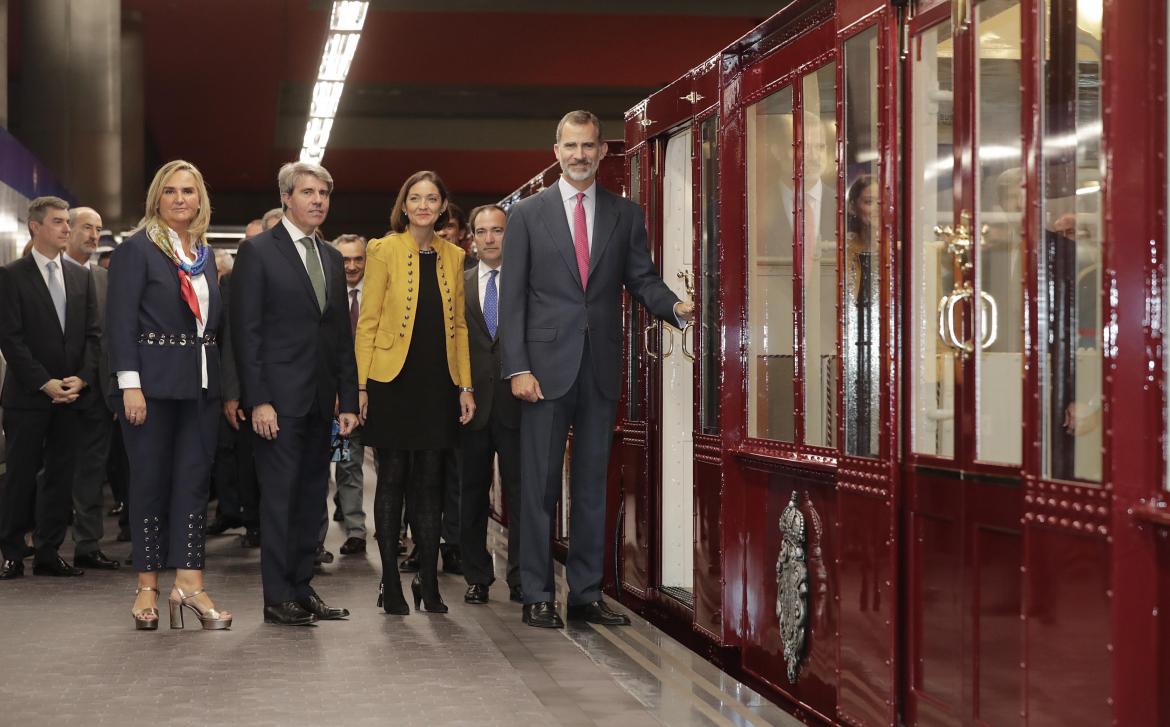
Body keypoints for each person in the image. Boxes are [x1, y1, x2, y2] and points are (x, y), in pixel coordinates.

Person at [501, 110, 693, 628]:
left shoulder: (624, 215)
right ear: (556, 149)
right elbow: (513, 297)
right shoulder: (526, 215)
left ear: (601, 153)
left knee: (592, 487)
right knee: (539, 487)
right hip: (541, 373)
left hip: (600, 369)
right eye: (571, 146)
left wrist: (675, 307)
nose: (580, 155)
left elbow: (642, 278)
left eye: (588, 146)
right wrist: (517, 366)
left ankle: (585, 594)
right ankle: (538, 593)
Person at [232, 161, 359, 626]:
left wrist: (347, 400)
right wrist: (258, 399)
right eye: (308, 192)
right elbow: (247, 334)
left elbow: (339, 336)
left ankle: (302, 588)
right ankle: (276, 596)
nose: (318, 201)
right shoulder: (259, 252)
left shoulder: (328, 256)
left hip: (320, 402)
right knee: (280, 499)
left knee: (311, 499)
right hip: (278, 404)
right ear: (287, 197)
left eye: (324, 193)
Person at [106, 160, 231, 631]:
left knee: (195, 487)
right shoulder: (137, 250)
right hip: (151, 389)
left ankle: (190, 584)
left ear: (201, 200)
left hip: (200, 387)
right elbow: (120, 321)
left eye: (189, 191)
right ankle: (146, 588)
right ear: (157, 198)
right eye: (171, 191)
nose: (181, 199)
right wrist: (129, 385)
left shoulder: (203, 253)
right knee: (150, 486)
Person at [354, 170, 475, 615]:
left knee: (431, 484)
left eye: (432, 199)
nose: (423, 206)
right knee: (392, 480)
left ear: (443, 206)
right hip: (391, 381)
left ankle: (428, 581)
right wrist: (361, 384)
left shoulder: (455, 256)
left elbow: (459, 326)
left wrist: (465, 385)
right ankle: (390, 581)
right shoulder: (382, 248)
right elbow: (368, 321)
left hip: (437, 382)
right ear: (404, 205)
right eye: (415, 198)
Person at [0, 197, 100, 580]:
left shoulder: (81, 276)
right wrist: (43, 382)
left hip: (72, 396)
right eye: (58, 221)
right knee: (21, 476)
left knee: (61, 476)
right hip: (28, 396)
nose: (66, 228)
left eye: (66, 221)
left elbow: (93, 335)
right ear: (35, 227)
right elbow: (10, 338)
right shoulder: (12, 274)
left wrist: (84, 376)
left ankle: (49, 550)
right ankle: (11, 551)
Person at [460, 204, 522, 604]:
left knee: (522, 496)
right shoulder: (459, 284)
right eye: (481, 231)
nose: (489, 238)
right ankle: (476, 576)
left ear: (508, 234)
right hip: (471, 408)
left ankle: (521, 577)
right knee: (471, 495)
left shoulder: (526, 281)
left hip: (519, 405)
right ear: (472, 238)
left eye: (496, 230)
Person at [62, 206, 121, 570]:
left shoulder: (104, 280)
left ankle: (87, 544)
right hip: (53, 390)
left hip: (97, 391)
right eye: (87, 227)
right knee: (49, 471)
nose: (94, 235)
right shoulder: (47, 275)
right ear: (68, 229)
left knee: (90, 471)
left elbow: (111, 338)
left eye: (98, 229)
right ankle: (41, 544)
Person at [331, 234, 371, 556]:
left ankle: (395, 531)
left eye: (358, 259)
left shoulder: (378, 297)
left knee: (391, 468)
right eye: (345, 260)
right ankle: (356, 531)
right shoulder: (328, 298)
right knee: (345, 462)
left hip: (380, 397)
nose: (353, 266)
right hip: (340, 400)